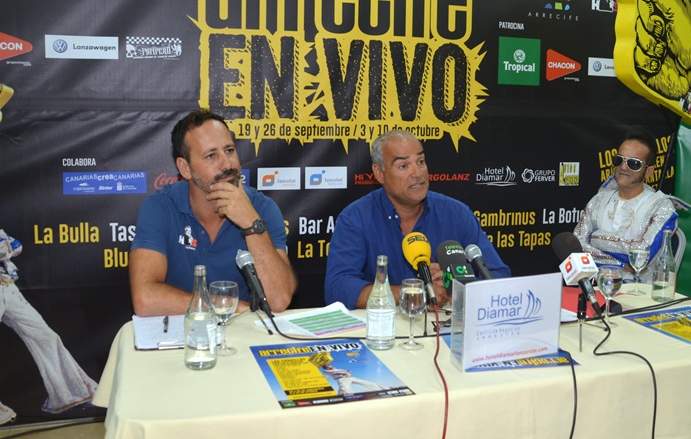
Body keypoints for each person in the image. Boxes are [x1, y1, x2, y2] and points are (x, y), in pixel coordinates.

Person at [129, 110, 296, 317]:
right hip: (184, 331)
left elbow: (278, 300)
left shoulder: (262, 209)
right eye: (211, 156)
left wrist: (251, 223)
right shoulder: (160, 207)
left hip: (242, 333)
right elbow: (145, 299)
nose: (227, 164)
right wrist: (229, 305)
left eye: (229, 150)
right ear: (185, 168)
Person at [324, 129, 511, 309]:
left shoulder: (457, 214)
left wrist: (454, 289)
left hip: (445, 325)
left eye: (421, 162)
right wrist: (412, 292)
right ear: (379, 173)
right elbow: (337, 288)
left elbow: (498, 276)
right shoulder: (355, 218)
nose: (418, 173)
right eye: (403, 166)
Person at [0, 229, 97, 421]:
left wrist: (6, 248)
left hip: (7, 287)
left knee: (47, 336)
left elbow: (17, 246)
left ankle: (71, 394)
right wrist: (6, 248)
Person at [572, 130, 681, 280]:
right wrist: (621, 264)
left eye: (633, 163)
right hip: (595, 286)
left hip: (639, 290)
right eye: (619, 160)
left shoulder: (661, 207)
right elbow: (576, 246)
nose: (623, 167)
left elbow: (641, 257)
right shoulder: (599, 200)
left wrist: (594, 237)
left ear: (648, 171)